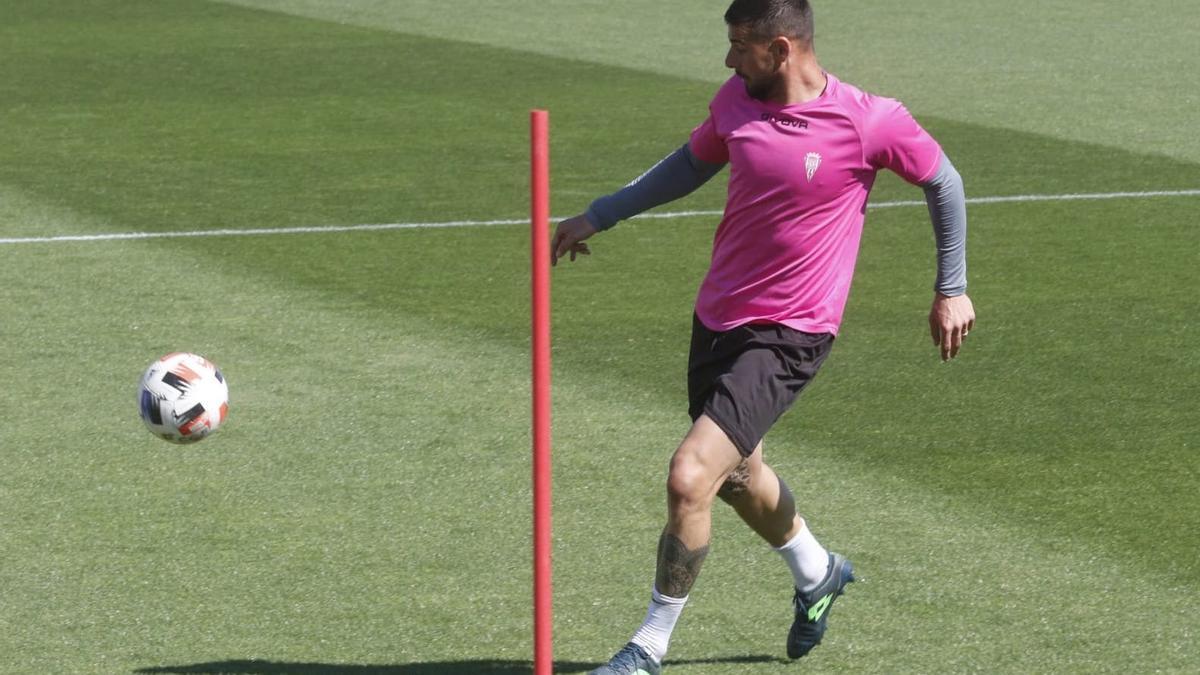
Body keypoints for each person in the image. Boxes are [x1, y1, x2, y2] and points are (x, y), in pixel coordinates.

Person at [552, 0, 976, 672]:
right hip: (718, 316)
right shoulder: (735, 101)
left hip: (792, 331)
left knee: (690, 474)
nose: (728, 60)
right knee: (737, 474)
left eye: (738, 46)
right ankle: (818, 571)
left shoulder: (869, 120)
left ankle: (648, 646)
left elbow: (942, 180)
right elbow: (688, 165)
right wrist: (600, 214)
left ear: (781, 48)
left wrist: (950, 287)